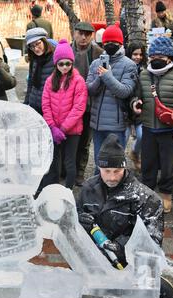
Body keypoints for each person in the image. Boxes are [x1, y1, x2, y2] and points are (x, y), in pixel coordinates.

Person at [130, 37, 173, 213]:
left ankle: (166, 195)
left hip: (171, 128)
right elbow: (137, 96)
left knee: (169, 165)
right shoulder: (144, 74)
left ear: (169, 57)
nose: (156, 59)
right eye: (153, 56)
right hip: (148, 127)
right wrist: (135, 103)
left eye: (161, 55)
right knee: (148, 165)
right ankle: (148, 195)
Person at [77, 133, 164, 268]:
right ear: (99, 167)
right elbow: (72, 226)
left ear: (124, 167)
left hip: (126, 268)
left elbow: (152, 242)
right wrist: (80, 223)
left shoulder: (147, 198)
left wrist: (120, 248)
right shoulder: (87, 188)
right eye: (107, 171)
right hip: (92, 264)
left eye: (117, 171)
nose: (112, 177)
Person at [86, 25, 137, 173]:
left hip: (116, 124)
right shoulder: (96, 63)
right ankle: (98, 192)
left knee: (115, 164)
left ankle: (115, 193)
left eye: (113, 43)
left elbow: (125, 91)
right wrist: (99, 79)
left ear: (121, 44)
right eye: (106, 43)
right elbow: (88, 89)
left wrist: (107, 76)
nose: (109, 46)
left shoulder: (129, 65)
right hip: (97, 124)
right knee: (98, 162)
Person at [39, 39, 87, 193]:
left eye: (68, 63)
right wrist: (52, 126)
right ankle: (52, 189)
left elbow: (79, 107)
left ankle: (68, 191)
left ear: (72, 63)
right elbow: (45, 105)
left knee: (70, 161)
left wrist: (64, 128)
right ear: (56, 64)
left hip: (72, 130)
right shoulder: (49, 81)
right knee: (54, 161)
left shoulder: (78, 81)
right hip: (54, 129)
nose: (65, 67)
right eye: (61, 64)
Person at [72, 21, 104, 186]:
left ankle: (79, 172)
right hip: (68, 104)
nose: (83, 37)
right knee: (68, 139)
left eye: (87, 34)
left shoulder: (98, 53)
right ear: (74, 33)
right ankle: (66, 170)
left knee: (84, 141)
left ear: (91, 36)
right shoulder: (66, 50)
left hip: (89, 105)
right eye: (80, 33)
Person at [125, 41, 147, 172]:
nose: (138, 57)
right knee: (123, 138)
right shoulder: (124, 67)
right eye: (135, 54)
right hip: (125, 109)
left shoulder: (144, 70)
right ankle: (119, 166)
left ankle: (134, 152)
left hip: (139, 108)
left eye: (140, 54)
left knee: (142, 135)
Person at [23, 27, 55, 115]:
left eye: (38, 44)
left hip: (50, 107)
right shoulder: (34, 58)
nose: (36, 49)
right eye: (32, 46)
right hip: (34, 104)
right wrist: (26, 103)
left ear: (44, 41)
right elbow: (30, 82)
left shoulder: (56, 57)